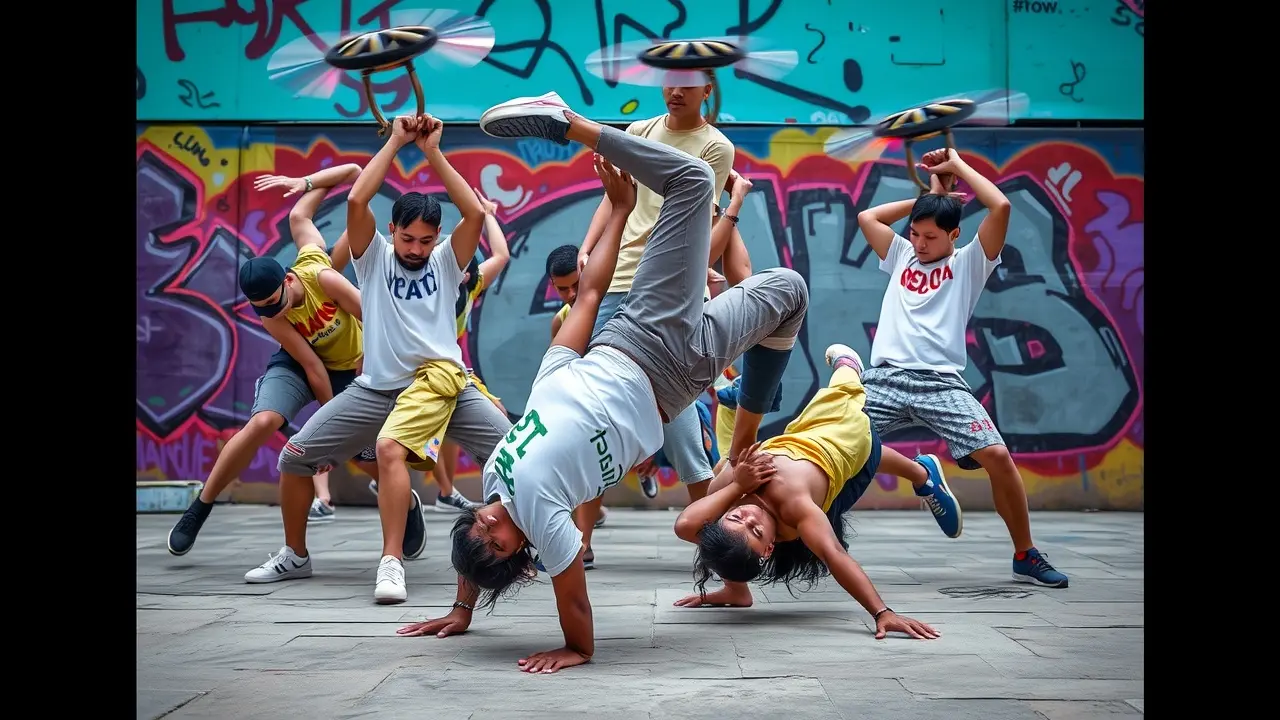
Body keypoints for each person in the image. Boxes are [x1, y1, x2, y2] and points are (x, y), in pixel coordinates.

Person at [398, 92, 809, 674]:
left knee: (702, 192)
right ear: (523, 558)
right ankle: (748, 432)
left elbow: (589, 294)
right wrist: (578, 648)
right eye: (498, 543)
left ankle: (571, 124)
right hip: (676, 381)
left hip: (635, 336)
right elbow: (572, 597)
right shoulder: (547, 520)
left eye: (478, 527)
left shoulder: (496, 477)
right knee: (785, 285)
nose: (488, 525)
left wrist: (617, 211)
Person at [252, 114, 513, 604]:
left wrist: (433, 150)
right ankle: (296, 555)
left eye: (425, 240)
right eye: (407, 238)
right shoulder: (372, 258)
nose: (416, 249)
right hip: (376, 388)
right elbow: (355, 198)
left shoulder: (446, 262)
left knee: (523, 456)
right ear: (391, 230)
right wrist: (396, 141)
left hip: (444, 386)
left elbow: (474, 216)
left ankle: (519, 547)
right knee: (294, 459)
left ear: (437, 238)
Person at [856, 149, 1069, 588]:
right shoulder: (900, 257)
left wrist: (955, 166)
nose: (919, 243)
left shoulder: (969, 262)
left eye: (930, 237)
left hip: (941, 384)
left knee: (997, 455)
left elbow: (1002, 206)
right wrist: (927, 199)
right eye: (915, 233)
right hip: (884, 379)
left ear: (955, 235)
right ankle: (923, 476)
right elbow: (867, 217)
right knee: (832, 445)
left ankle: (1025, 554)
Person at [571, 82, 757, 545]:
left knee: (677, 417)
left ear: (708, 88)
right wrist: (588, 247)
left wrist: (731, 212)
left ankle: (716, 543)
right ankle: (581, 540)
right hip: (616, 281)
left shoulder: (715, 147)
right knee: (596, 408)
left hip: (667, 291)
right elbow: (615, 197)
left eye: (689, 82)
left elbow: (702, 228)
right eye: (669, 79)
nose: (676, 89)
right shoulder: (639, 129)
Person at [669, 343, 955, 643]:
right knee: (843, 418)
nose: (749, 515)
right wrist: (882, 612)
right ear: (769, 548)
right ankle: (851, 370)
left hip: (816, 434)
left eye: (737, 516)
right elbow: (834, 555)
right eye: (755, 529)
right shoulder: (794, 505)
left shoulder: (735, 491)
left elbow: (685, 525)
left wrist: (738, 485)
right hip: (837, 455)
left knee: (838, 403)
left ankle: (920, 471)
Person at [166, 163, 380, 555]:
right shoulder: (272, 316)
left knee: (369, 455)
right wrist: (328, 428)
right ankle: (200, 507)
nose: (272, 312)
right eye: (262, 309)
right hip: (304, 365)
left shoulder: (322, 276)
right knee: (264, 421)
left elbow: (353, 172)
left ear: (287, 280)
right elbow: (311, 367)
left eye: (275, 302)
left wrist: (306, 182)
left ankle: (404, 505)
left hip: (352, 365)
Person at [428, 187, 511, 513]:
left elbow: (501, 256)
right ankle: (445, 491)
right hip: (420, 368)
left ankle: (478, 492)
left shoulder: (470, 284)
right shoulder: (430, 282)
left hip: (451, 368)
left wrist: (489, 214)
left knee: (496, 416)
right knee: (428, 429)